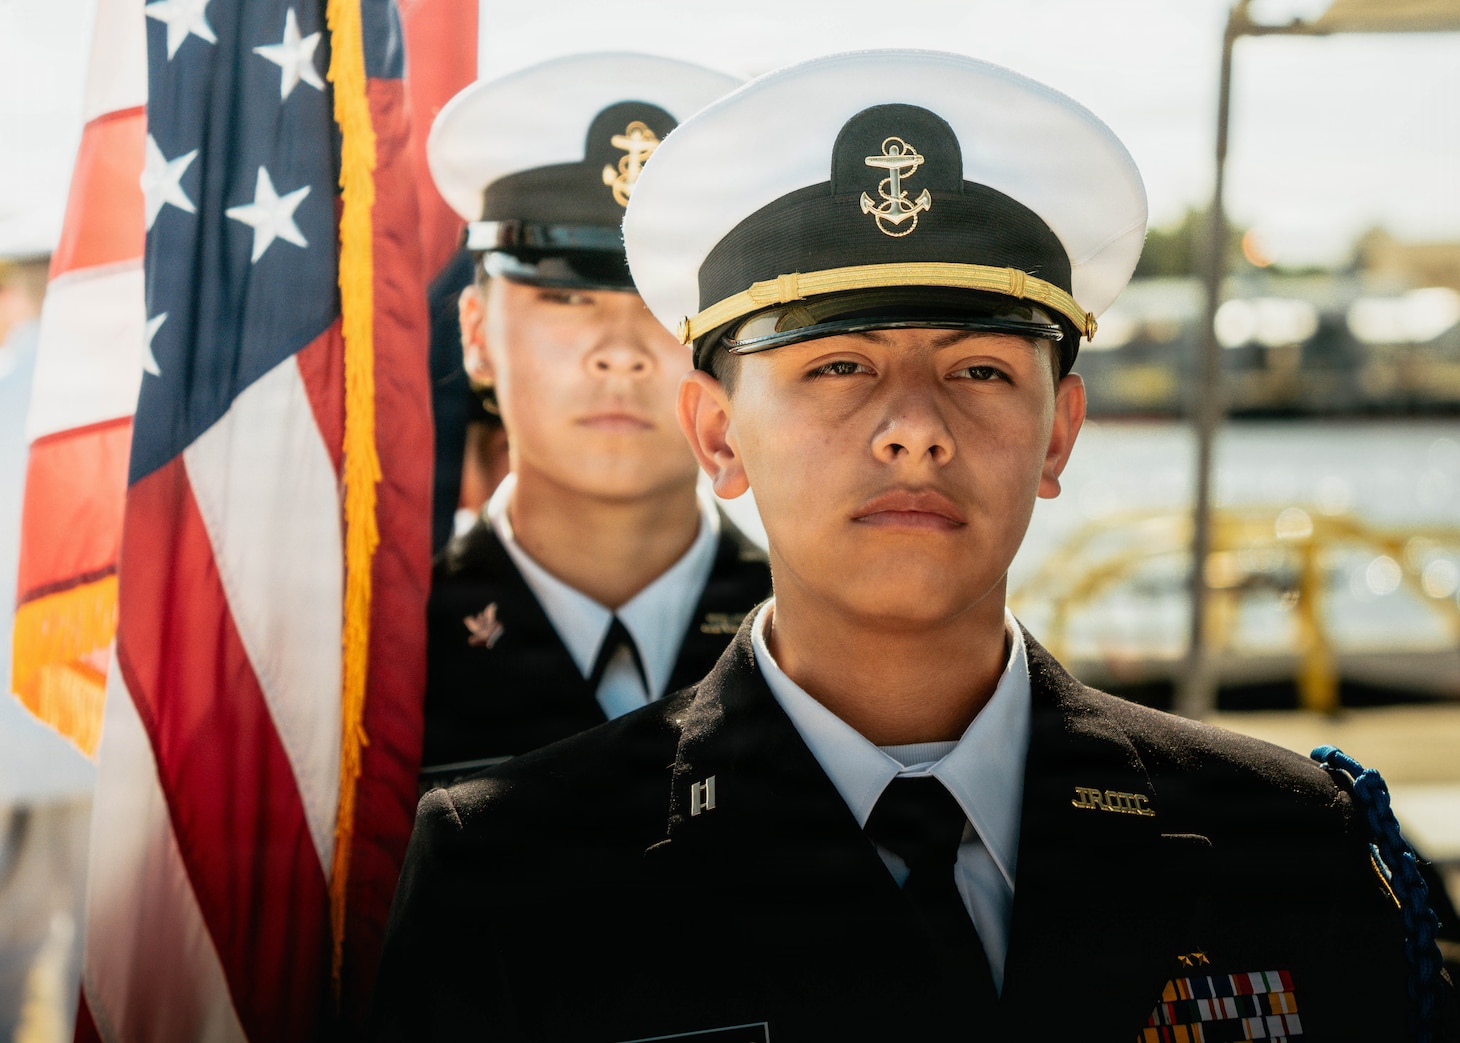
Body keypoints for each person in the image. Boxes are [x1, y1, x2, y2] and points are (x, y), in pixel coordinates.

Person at [373, 50, 1453, 1040]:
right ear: (715, 432)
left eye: (979, 369)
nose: (914, 425)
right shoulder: (513, 874)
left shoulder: (1283, 842)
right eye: (836, 366)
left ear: (1057, 431)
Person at [417, 54, 769, 785]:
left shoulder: (838, 651)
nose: (619, 353)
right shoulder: (378, 664)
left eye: (666, 307)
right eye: (568, 299)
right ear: (476, 333)